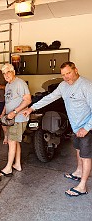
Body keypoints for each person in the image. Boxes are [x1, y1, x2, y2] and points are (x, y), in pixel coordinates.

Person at [23, 61, 92, 197]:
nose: (66, 77)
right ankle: (78, 172)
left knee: (86, 156)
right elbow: (50, 97)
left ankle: (82, 186)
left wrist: (87, 128)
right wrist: (32, 108)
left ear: (75, 70)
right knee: (78, 150)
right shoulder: (63, 86)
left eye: (68, 73)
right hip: (75, 126)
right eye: (63, 75)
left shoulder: (86, 86)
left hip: (87, 127)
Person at [0, 63, 31, 176]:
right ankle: (17, 164)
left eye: (8, 72)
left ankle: (8, 168)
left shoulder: (19, 83)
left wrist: (15, 112)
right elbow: (8, 102)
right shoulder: (8, 85)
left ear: (13, 72)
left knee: (11, 141)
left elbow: (27, 100)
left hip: (19, 118)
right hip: (10, 118)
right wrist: (3, 113)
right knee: (15, 141)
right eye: (4, 73)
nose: (6, 75)